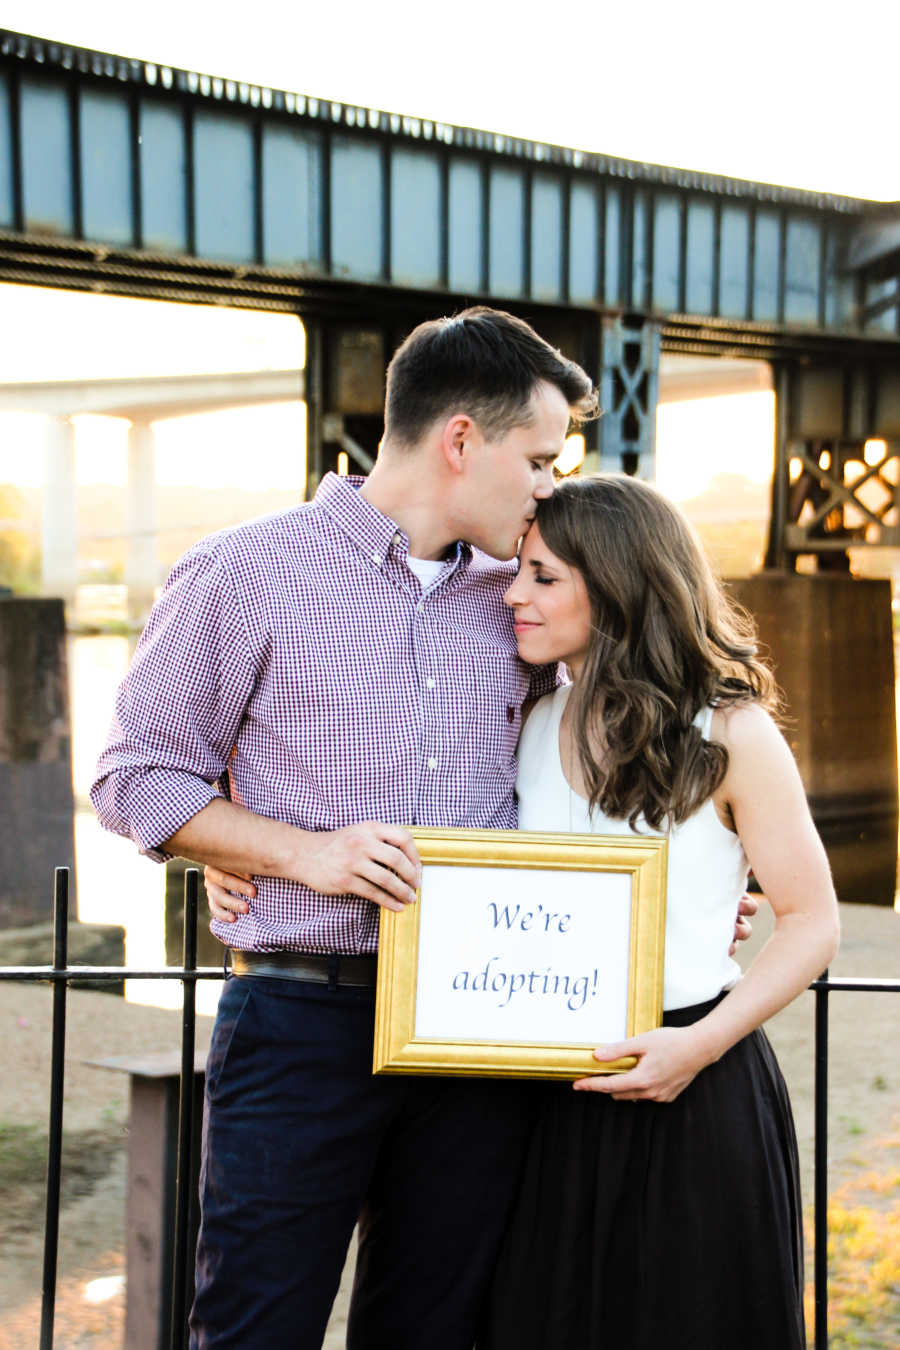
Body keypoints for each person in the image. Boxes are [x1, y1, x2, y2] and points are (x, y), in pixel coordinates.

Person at [91, 307, 601, 1350]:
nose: (552, 485)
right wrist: (291, 852)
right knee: (255, 1328)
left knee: (433, 1331)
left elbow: (628, 736)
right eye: (540, 458)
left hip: (480, 1028)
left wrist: (692, 886)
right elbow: (136, 774)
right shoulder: (245, 572)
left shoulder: (527, 600)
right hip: (300, 1023)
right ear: (462, 439)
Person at [479, 473, 840, 1350]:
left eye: (543, 576)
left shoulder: (731, 733)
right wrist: (237, 865)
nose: (513, 593)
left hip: (693, 1092)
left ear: (618, 585)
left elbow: (814, 920)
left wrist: (697, 1047)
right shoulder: (529, 718)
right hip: (546, 1103)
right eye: (519, 570)